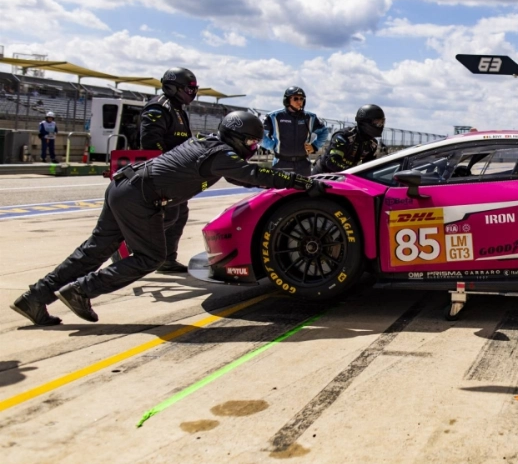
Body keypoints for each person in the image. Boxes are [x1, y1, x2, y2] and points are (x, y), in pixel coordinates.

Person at [9, 111, 327, 326]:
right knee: (151, 256)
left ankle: (34, 298)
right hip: (139, 196)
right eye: (251, 142)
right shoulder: (222, 154)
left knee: (95, 250)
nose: (253, 147)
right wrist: (299, 181)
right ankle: (82, 290)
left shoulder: (211, 146)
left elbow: (242, 179)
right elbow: (252, 173)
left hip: (125, 187)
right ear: (237, 136)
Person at [139, 67, 198, 273]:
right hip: (163, 172)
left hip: (177, 172)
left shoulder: (178, 108)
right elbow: (150, 142)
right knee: (170, 215)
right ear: (173, 87)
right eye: (188, 88)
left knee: (180, 215)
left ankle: (166, 259)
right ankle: (133, 245)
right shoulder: (159, 108)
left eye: (193, 89)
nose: (192, 92)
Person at [261, 86, 331, 177]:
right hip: (281, 163)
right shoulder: (274, 116)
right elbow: (259, 133)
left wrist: (315, 146)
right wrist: (272, 145)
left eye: (301, 99)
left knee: (304, 190)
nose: (299, 101)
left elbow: (324, 131)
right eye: (296, 98)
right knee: (281, 190)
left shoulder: (310, 117)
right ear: (287, 100)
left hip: (303, 164)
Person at [314, 104, 384, 174]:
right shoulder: (344, 137)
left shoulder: (372, 144)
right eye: (377, 122)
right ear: (365, 122)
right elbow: (331, 161)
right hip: (322, 174)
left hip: (344, 177)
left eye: (382, 122)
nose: (380, 125)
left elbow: (369, 166)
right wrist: (354, 171)